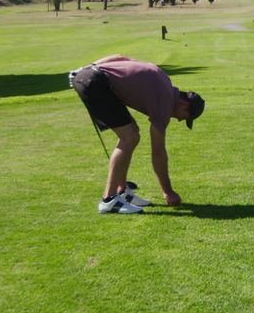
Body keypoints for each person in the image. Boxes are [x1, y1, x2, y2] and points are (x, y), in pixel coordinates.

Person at [70, 55, 205, 214]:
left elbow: (121, 57)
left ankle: (122, 192)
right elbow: (158, 152)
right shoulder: (165, 103)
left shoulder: (165, 81)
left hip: (89, 76)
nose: (180, 120)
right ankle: (109, 200)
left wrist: (87, 67)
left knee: (132, 133)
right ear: (184, 104)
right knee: (130, 138)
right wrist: (167, 191)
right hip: (95, 83)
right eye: (185, 118)